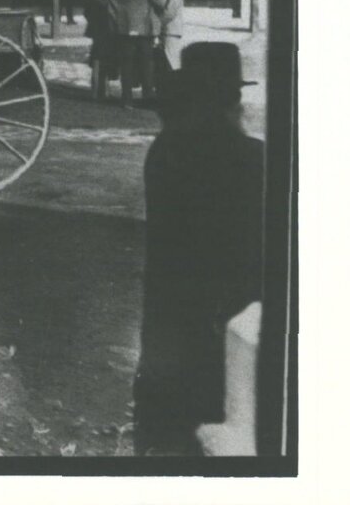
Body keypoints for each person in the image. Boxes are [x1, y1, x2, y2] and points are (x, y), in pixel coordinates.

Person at [135, 41, 263, 456]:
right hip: (221, 338)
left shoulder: (165, 150)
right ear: (231, 100)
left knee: (162, 443)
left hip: (164, 336)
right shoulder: (248, 158)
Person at [99, 0, 164, 103]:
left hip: (123, 29)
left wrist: (116, 8)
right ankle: (147, 96)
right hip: (145, 29)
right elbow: (161, 2)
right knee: (146, 64)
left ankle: (127, 99)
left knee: (126, 64)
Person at [154, 0, 187, 89]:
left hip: (171, 31)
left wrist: (156, 26)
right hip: (165, 30)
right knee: (164, 66)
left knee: (172, 65)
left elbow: (170, 12)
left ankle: (177, 96)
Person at [85, 0, 116, 98]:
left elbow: (86, 10)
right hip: (104, 27)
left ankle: (98, 89)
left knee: (98, 57)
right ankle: (101, 90)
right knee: (100, 57)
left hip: (97, 27)